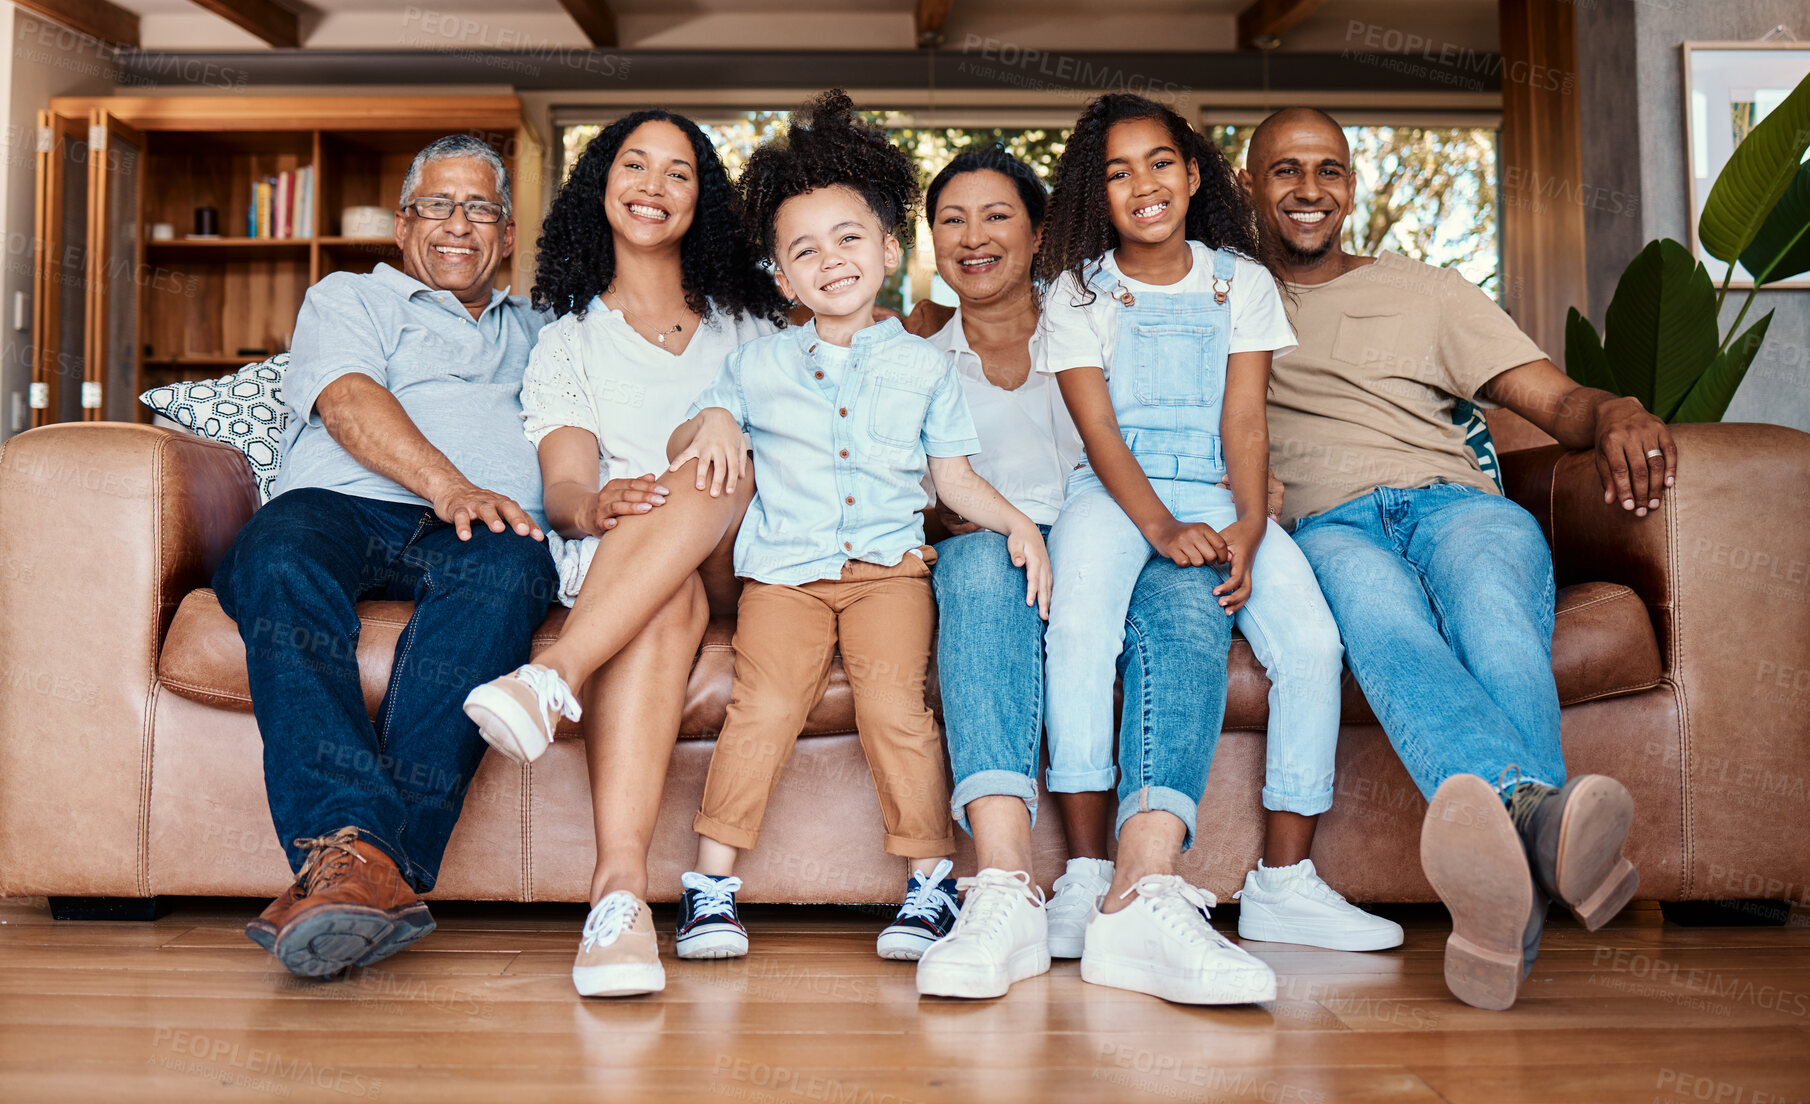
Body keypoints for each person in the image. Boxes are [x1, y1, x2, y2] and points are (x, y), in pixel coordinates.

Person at [1241, 106, 1659, 1010]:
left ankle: (1509, 869)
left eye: (1328, 170)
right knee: (1387, 629)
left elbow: (1556, 402)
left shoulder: (1427, 290)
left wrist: (1617, 410)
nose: (1309, 190)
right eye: (1284, 170)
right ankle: (1535, 840)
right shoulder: (1221, 300)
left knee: (1495, 615)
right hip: (1332, 527)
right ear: (1248, 185)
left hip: (1456, 505)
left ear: (1351, 186)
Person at [662, 91, 1051, 966]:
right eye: (804, 250)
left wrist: (1017, 521)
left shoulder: (923, 365)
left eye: (848, 239)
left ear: (885, 249)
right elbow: (692, 430)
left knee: (895, 710)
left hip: (888, 572)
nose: (829, 260)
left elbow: (950, 477)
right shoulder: (755, 363)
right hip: (785, 578)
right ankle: (712, 888)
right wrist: (715, 424)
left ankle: (928, 887)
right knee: (761, 707)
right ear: (782, 276)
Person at [458, 110, 788, 998]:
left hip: (749, 553)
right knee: (666, 601)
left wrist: (716, 422)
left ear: (700, 199)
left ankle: (555, 671)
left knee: (719, 458)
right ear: (600, 189)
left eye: (678, 172)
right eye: (633, 165)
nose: (653, 185)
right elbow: (566, 493)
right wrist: (597, 499)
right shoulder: (568, 339)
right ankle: (620, 901)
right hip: (631, 563)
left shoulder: (751, 322)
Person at [212, 136, 558, 978]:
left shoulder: (548, 328)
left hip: (486, 535)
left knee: (513, 569)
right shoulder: (350, 298)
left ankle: (356, 869)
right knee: (278, 554)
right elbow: (348, 399)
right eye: (437, 205)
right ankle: (368, 856)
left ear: (508, 235)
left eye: (479, 208)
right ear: (404, 225)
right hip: (342, 509)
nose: (457, 224)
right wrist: (449, 487)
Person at [903, 147, 1237, 1001]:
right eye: (951, 220)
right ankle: (1006, 889)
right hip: (995, 548)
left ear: (1040, 229)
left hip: (1130, 533)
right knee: (979, 566)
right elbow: (905, 489)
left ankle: (1143, 892)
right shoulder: (909, 353)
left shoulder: (1106, 321)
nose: (973, 238)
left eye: (997, 216)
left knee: (1190, 592)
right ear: (932, 241)